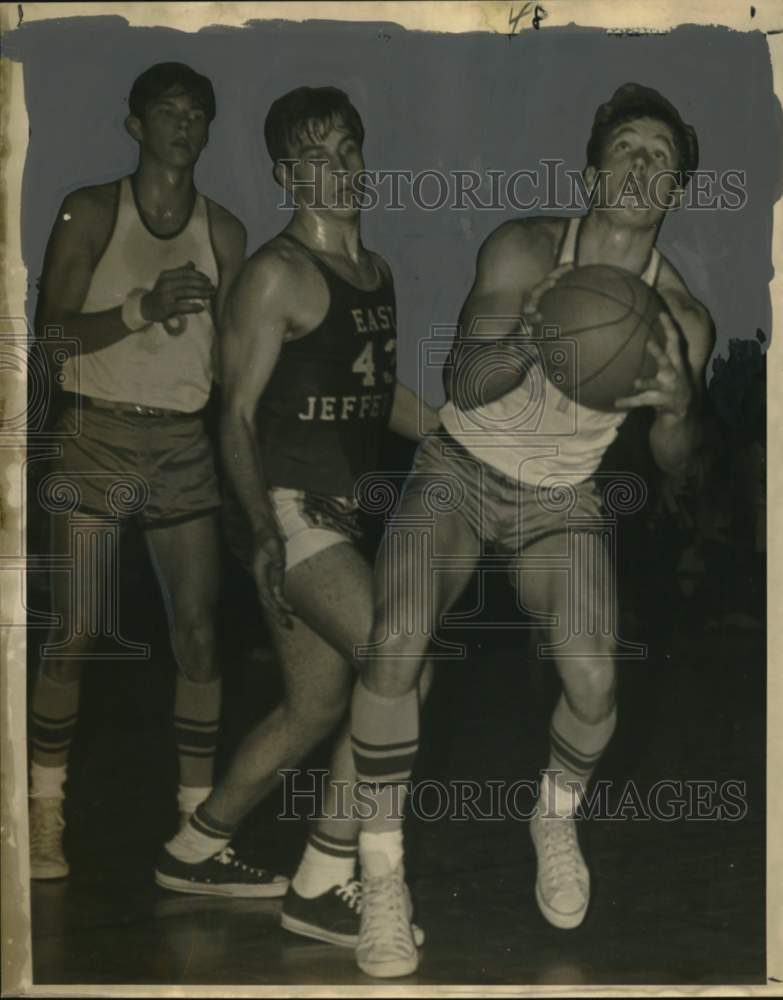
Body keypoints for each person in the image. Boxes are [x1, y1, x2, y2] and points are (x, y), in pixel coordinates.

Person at [348, 82, 715, 977]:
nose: (640, 165)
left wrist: (675, 409)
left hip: (563, 495)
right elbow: (464, 384)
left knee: (594, 682)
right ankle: (382, 878)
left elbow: (678, 470)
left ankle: (552, 813)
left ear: (674, 191)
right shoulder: (521, 247)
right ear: (592, 169)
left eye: (660, 158)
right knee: (394, 642)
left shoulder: (685, 321)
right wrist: (535, 333)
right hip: (460, 468)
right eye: (626, 147)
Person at [155, 86, 437, 945]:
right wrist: (266, 535)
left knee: (316, 708)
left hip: (338, 515)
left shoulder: (374, 271)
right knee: (404, 667)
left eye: (347, 148)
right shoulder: (274, 273)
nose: (339, 169)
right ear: (286, 174)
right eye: (316, 157)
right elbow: (232, 413)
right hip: (286, 510)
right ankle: (322, 879)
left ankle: (194, 848)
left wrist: (454, 433)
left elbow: (369, 387)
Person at [28, 63, 247, 880]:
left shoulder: (225, 232)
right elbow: (47, 341)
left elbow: (232, 363)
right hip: (95, 434)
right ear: (135, 125)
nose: (183, 126)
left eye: (197, 113)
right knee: (77, 631)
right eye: (167, 111)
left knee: (198, 634)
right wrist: (140, 311)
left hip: (183, 442)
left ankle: (198, 829)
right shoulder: (90, 210)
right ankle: (42, 811)